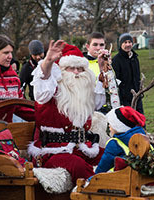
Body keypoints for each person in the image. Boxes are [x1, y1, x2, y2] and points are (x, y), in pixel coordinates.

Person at [27, 40, 104, 184]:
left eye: (80, 69)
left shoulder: (83, 94)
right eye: (70, 68)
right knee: (78, 166)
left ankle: (117, 188)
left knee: (112, 157)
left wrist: (102, 69)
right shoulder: (50, 90)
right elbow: (42, 85)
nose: (76, 73)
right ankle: (97, 191)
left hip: (81, 148)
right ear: (60, 70)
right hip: (51, 152)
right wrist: (48, 62)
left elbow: (97, 103)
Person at [94, 106, 146, 174]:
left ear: (118, 126)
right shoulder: (143, 137)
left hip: (120, 178)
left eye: (111, 124)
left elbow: (104, 165)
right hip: (141, 175)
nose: (109, 126)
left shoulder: (114, 143)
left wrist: (92, 178)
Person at [112, 33, 144, 114]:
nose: (128, 44)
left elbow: (137, 77)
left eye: (129, 42)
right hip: (124, 99)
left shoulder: (135, 58)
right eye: (125, 42)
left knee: (140, 120)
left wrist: (140, 91)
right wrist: (123, 95)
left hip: (137, 96)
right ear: (121, 44)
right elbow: (116, 80)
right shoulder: (116, 60)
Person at [83, 32, 107, 111]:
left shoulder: (107, 62)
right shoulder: (82, 64)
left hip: (106, 108)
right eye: (95, 45)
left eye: (101, 45)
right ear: (87, 46)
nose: (98, 48)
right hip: (89, 108)